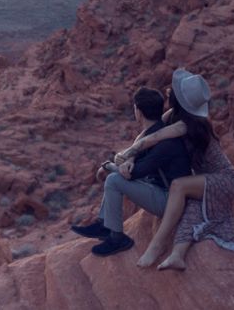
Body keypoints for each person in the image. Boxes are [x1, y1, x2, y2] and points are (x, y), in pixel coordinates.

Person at [117, 68, 234, 270]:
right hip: (203, 179)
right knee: (190, 214)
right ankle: (177, 256)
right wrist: (131, 157)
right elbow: (144, 135)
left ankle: (156, 246)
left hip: (223, 181)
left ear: (178, 98)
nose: (168, 90)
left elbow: (154, 138)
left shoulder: (185, 125)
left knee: (178, 186)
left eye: (173, 90)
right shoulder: (173, 115)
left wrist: (125, 154)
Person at [71, 87, 192, 256]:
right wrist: (125, 160)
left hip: (170, 200)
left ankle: (117, 238)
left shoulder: (164, 143)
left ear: (139, 112)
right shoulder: (157, 130)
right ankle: (105, 224)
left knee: (114, 180)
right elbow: (136, 154)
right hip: (161, 188)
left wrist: (108, 166)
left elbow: (133, 174)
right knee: (115, 176)